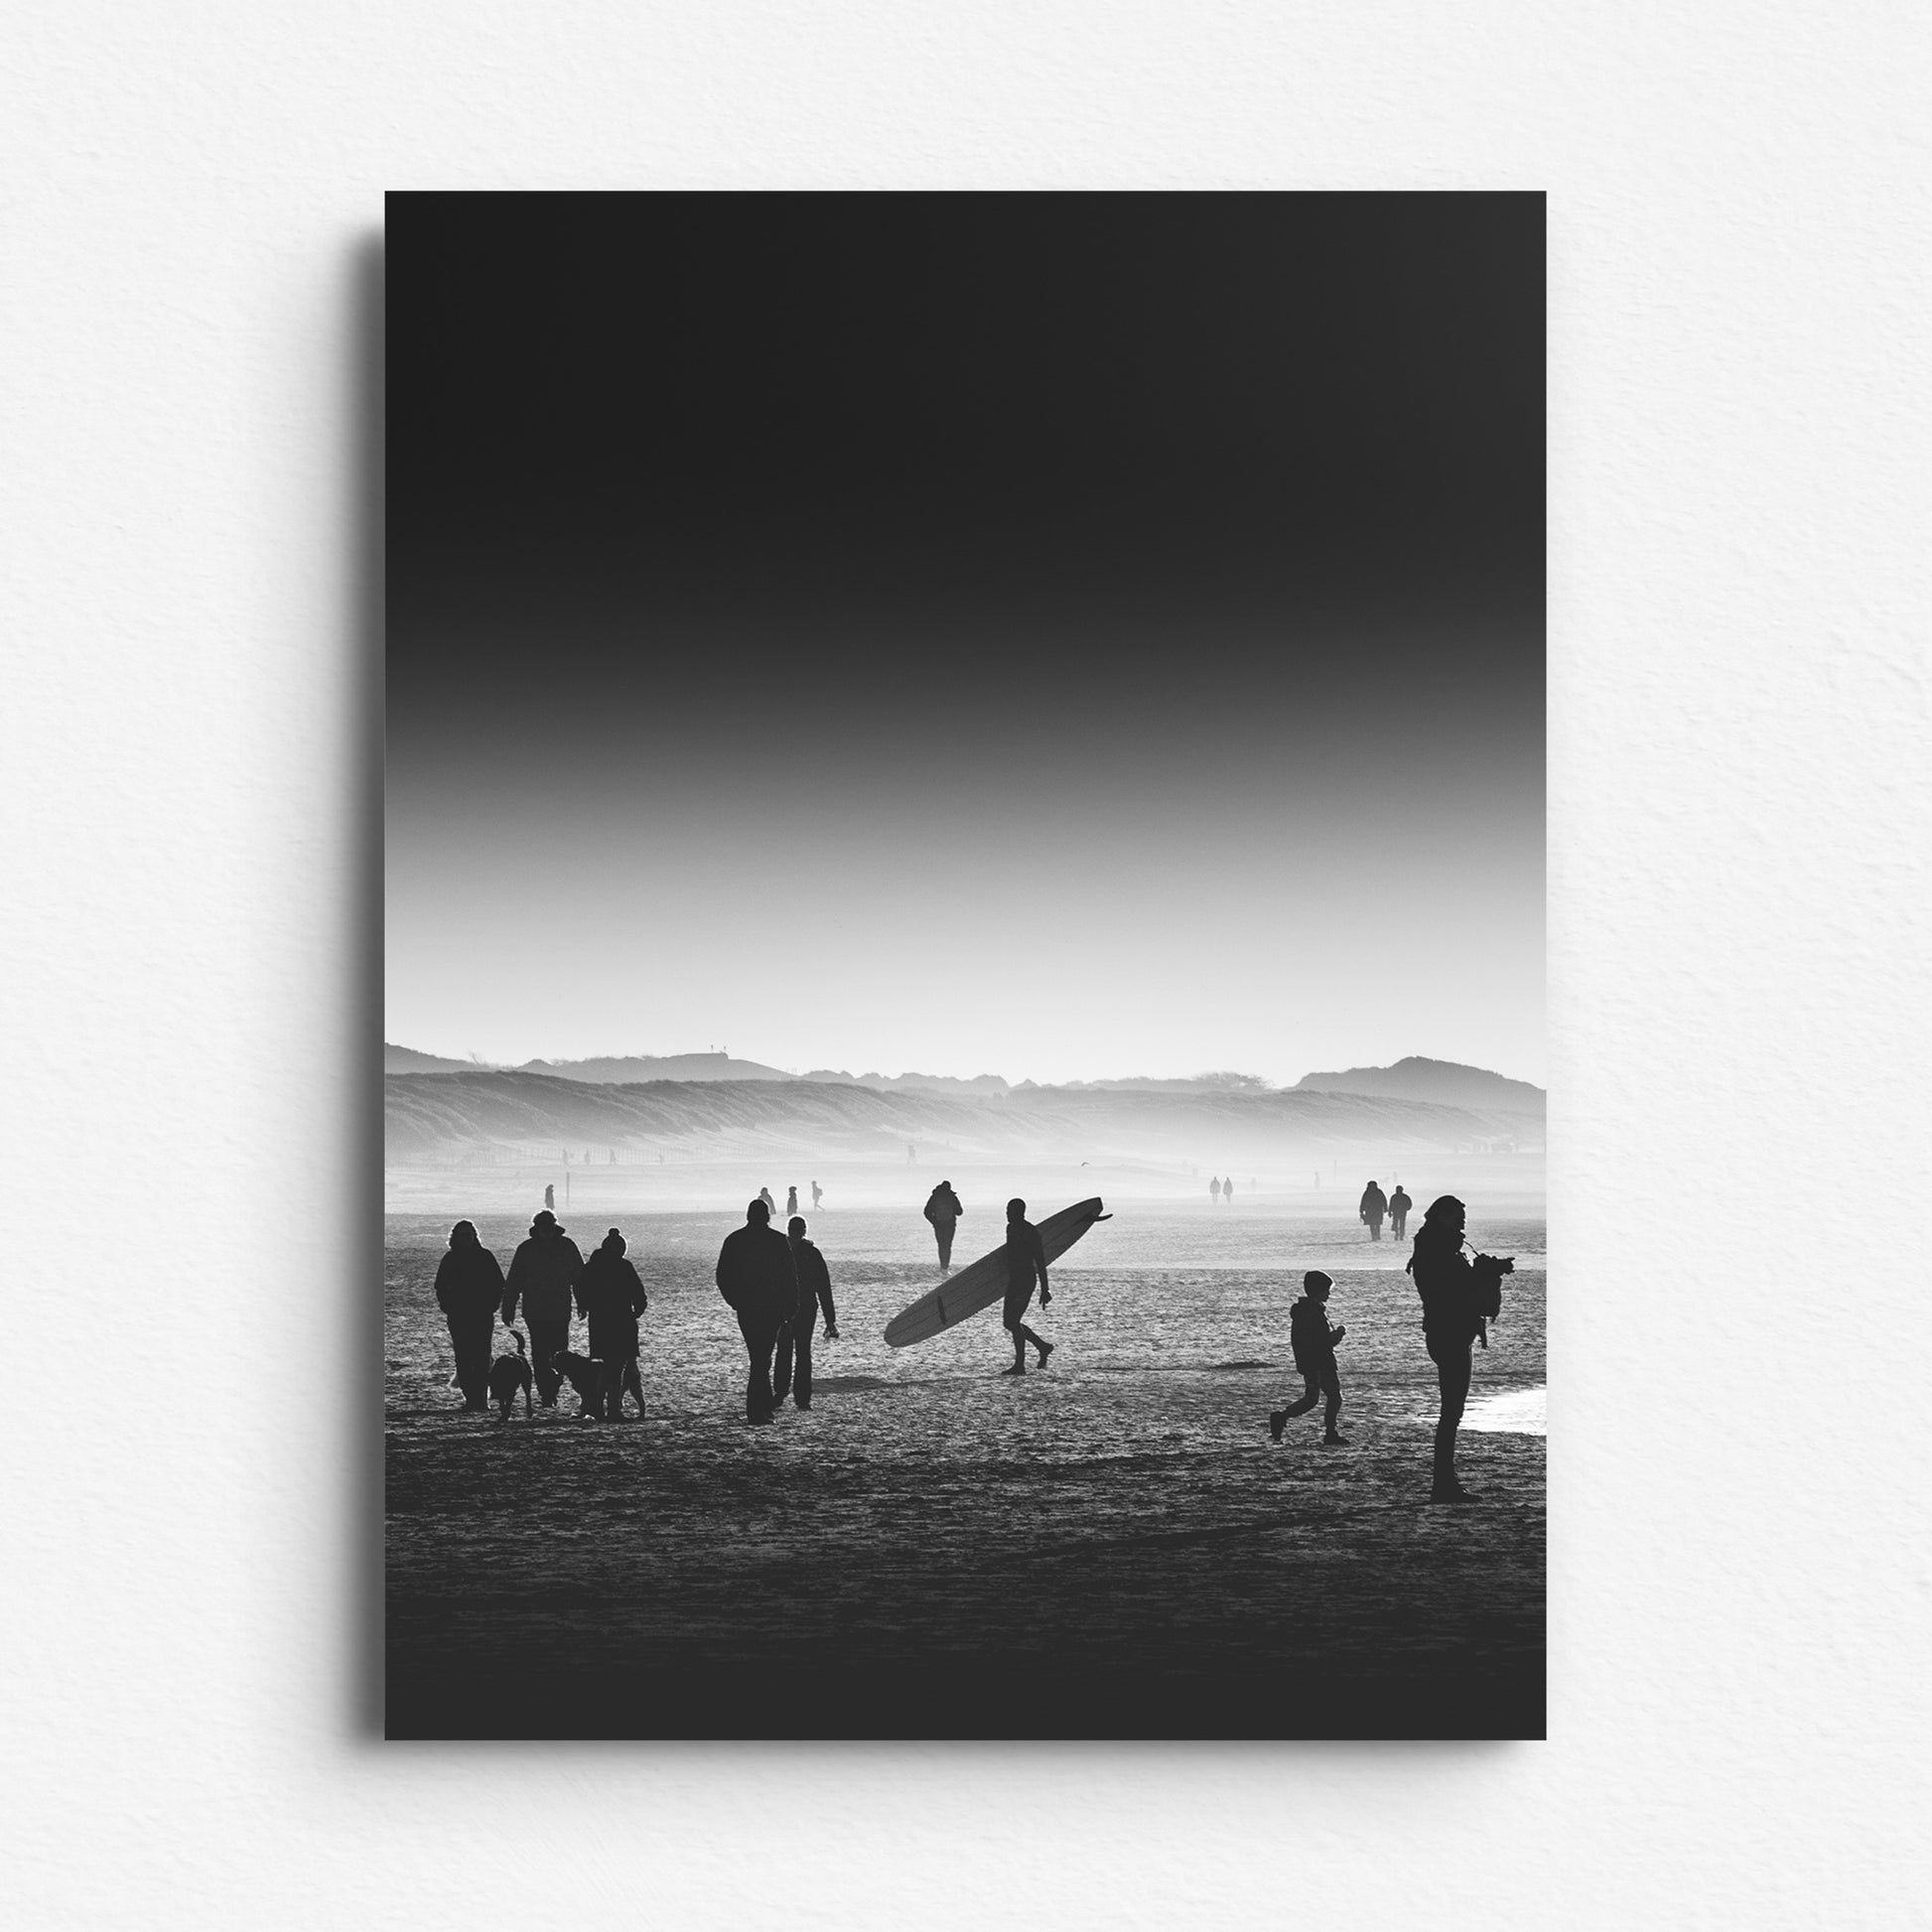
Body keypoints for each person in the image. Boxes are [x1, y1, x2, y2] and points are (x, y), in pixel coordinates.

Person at [1407, 1193, 1480, 1502]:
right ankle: (1443, 1484)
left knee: (1452, 1411)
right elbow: (1451, 1290)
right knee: (1452, 1412)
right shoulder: (1439, 1252)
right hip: (1448, 1333)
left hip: (1445, 1332)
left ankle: (1445, 1481)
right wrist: (1481, 1275)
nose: (1462, 1223)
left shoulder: (1431, 1248)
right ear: (1442, 1217)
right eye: (1458, 1218)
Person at [715, 1198, 800, 1424]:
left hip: (747, 1308)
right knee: (763, 1358)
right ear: (767, 1217)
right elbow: (790, 1277)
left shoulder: (734, 1240)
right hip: (771, 1308)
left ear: (748, 1216)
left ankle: (762, 1407)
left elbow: (722, 1276)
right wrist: (790, 1308)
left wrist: (735, 1301)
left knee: (759, 1357)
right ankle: (757, 1410)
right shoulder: (777, 1241)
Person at [501, 1208, 585, 1407]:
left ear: (555, 1225)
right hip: (535, 1311)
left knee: (559, 1352)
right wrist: (508, 1307)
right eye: (542, 1225)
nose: (546, 1229)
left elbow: (579, 1278)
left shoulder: (567, 1246)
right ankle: (546, 1393)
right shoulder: (526, 1249)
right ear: (536, 1227)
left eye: (549, 1225)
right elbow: (514, 1281)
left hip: (560, 1310)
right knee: (539, 1353)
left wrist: (583, 1302)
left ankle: (553, 1389)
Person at [1268, 1271, 1348, 1446]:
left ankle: (1282, 1418)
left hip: (1312, 1362)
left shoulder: (1306, 1311)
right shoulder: (1312, 1313)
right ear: (1318, 1291)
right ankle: (1330, 1433)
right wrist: (1338, 1335)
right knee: (1330, 1398)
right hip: (1321, 1362)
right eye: (1326, 1290)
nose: (1329, 1294)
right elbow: (1322, 1341)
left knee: (1314, 1399)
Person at [576, 1227, 648, 1420]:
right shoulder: (624, 1266)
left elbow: (580, 1288)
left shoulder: (592, 1266)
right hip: (622, 1320)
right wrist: (638, 1310)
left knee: (604, 1366)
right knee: (617, 1367)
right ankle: (613, 1408)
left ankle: (597, 1405)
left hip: (599, 1321)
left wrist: (584, 1305)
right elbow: (637, 1291)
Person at [433, 1220, 504, 1412]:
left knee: (481, 1356)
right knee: (463, 1357)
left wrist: (492, 1305)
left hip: (481, 1314)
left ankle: (481, 1399)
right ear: (455, 1237)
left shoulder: (485, 1257)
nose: (466, 1238)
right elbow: (440, 1286)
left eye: (469, 1234)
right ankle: (470, 1398)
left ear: (474, 1236)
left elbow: (498, 1284)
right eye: (462, 1235)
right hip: (459, 1315)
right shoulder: (450, 1259)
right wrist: (447, 1306)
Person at [774, 1216, 839, 1409]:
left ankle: (785, 1395)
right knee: (798, 1352)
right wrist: (830, 1320)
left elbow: (823, 1287)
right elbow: (824, 1288)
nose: (795, 1233)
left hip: (792, 1309)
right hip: (798, 1309)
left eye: (796, 1230)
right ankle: (796, 1397)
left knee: (788, 1351)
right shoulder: (809, 1253)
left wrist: (830, 1319)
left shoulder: (784, 1252)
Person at [1000, 1197, 1054, 1374]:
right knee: (1008, 1322)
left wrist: (1045, 1289)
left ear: (1020, 1212)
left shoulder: (1030, 1231)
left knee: (1013, 1321)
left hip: (1025, 1280)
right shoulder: (1010, 1228)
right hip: (1014, 1280)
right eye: (1007, 1209)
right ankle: (1042, 1346)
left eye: (1010, 1210)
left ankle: (1020, 1365)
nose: (1007, 1213)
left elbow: (1040, 1260)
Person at [923, 1178, 964, 1271]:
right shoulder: (951, 1197)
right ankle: (946, 1266)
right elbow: (960, 1212)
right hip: (950, 1224)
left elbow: (926, 1212)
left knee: (941, 1245)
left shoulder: (935, 1197)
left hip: (939, 1225)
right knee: (948, 1245)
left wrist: (934, 1222)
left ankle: (942, 1265)